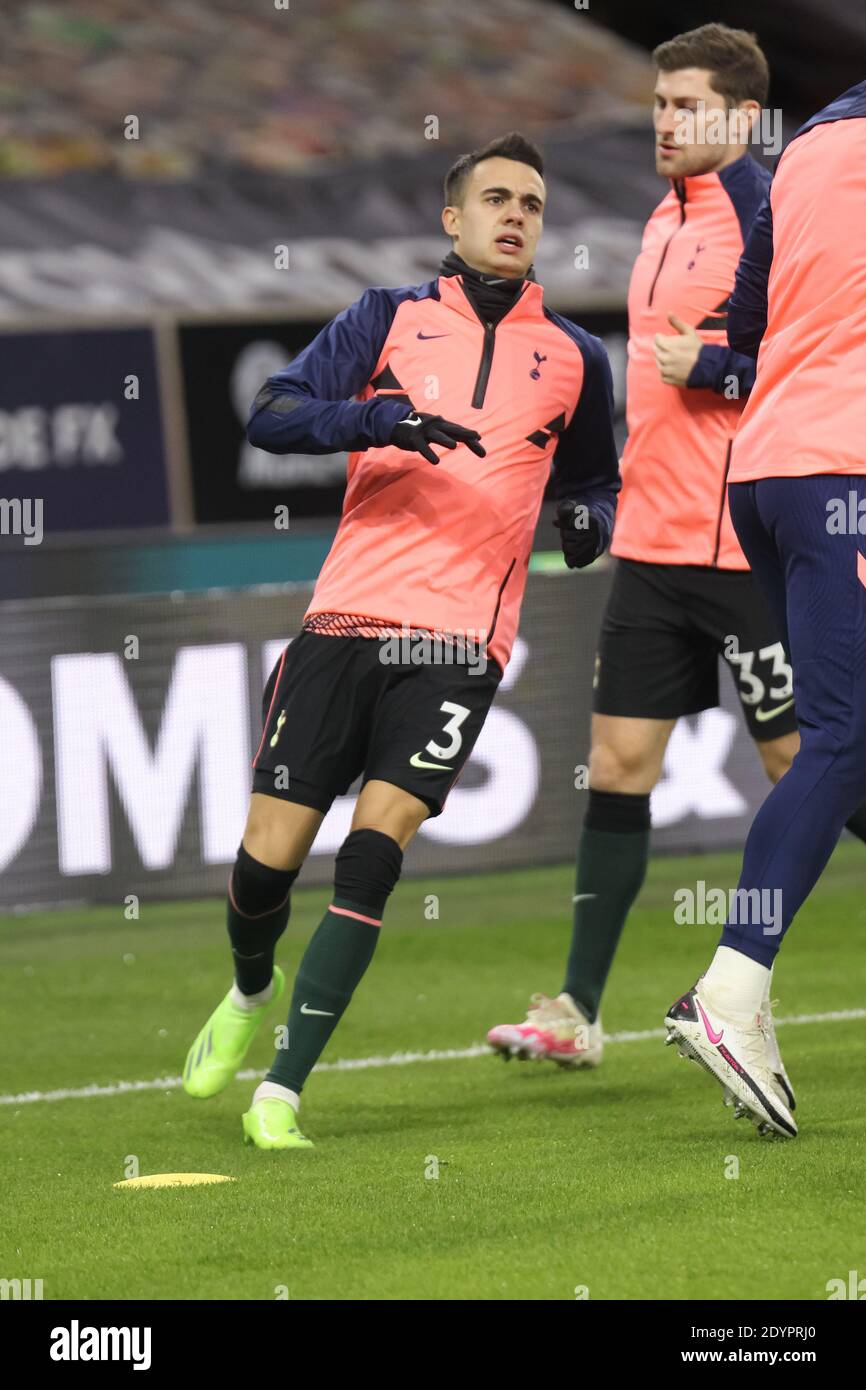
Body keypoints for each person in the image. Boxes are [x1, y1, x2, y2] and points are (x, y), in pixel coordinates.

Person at [181, 132, 620, 1149]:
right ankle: (251, 986)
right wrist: (374, 418)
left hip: (462, 642)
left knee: (373, 854)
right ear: (451, 218)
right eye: (495, 198)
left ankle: (282, 1090)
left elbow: (594, 478)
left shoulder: (573, 358)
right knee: (264, 867)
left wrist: (587, 522)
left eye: (532, 204)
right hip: (345, 621)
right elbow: (272, 415)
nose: (515, 215)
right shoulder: (383, 318)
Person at [489, 27, 805, 1104]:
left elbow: (815, 359)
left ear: (737, 115)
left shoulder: (772, 213)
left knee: (807, 772)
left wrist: (713, 362)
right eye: (656, 103)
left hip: (745, 551)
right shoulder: (663, 217)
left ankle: (737, 991)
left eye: (682, 104)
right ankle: (576, 1011)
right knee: (618, 769)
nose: (662, 120)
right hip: (653, 550)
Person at [664, 77, 866, 1138]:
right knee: (841, 737)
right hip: (844, 474)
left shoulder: (806, 151)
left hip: (762, 477)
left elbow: (743, 326)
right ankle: (730, 986)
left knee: (851, 756)